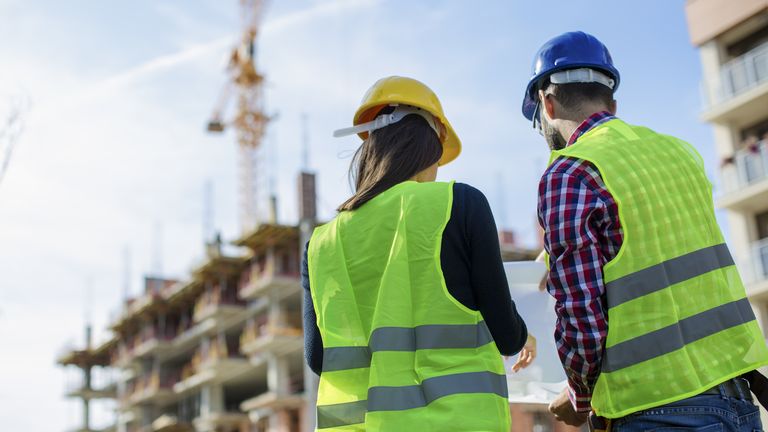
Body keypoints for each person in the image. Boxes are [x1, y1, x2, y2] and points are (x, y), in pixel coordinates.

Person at [523, 31, 768, 431]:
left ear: (547, 104)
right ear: (612, 101)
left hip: (657, 409)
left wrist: (579, 396)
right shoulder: (678, 152)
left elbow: (582, 318)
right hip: (738, 398)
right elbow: (651, 242)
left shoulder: (569, 172)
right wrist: (554, 254)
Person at [302, 76, 534, 431]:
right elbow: (506, 333)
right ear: (431, 146)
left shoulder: (320, 244)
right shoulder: (459, 204)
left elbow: (319, 359)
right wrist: (524, 335)